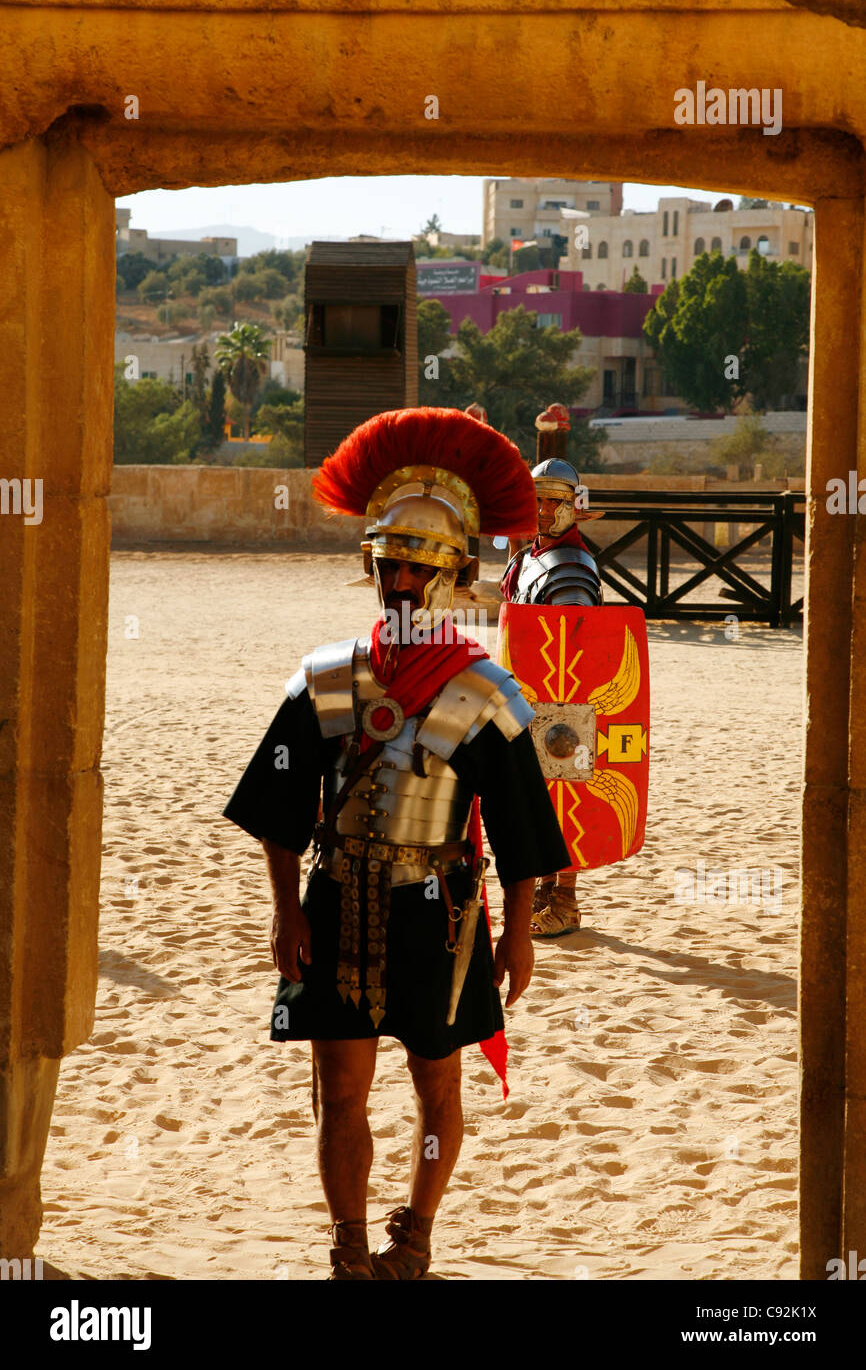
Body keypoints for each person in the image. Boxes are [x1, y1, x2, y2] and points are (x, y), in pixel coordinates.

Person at [223, 407, 571, 1280]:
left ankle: (412, 1234)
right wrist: (282, 911)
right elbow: (278, 806)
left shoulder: (485, 694)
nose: (401, 580)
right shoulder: (325, 677)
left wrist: (520, 931)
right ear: (370, 566)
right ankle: (346, 1244)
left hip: (436, 914)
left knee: (435, 1088)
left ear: (452, 574)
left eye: (418, 565)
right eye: (389, 563)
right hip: (335, 898)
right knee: (339, 1089)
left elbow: (528, 835)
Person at [499, 458, 604, 938]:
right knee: (537, 799)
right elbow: (517, 616)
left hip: (562, 707)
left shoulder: (571, 568)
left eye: (553, 501)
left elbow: (573, 640)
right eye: (535, 499)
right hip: (528, 699)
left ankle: (565, 899)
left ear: (572, 508)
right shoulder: (529, 557)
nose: (541, 510)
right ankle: (545, 891)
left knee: (564, 792)